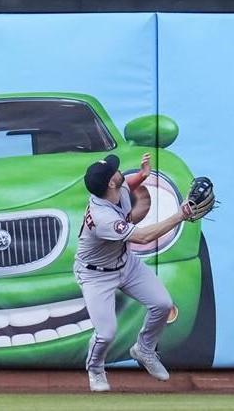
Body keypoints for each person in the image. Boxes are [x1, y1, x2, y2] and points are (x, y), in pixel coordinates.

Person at [75, 151, 191, 393]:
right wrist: (180, 215)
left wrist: (142, 175)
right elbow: (144, 236)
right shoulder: (103, 217)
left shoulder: (115, 190)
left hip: (125, 263)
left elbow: (127, 183)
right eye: (115, 170)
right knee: (106, 334)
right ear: (110, 182)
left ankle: (144, 349)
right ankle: (96, 369)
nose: (120, 171)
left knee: (162, 304)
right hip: (96, 275)